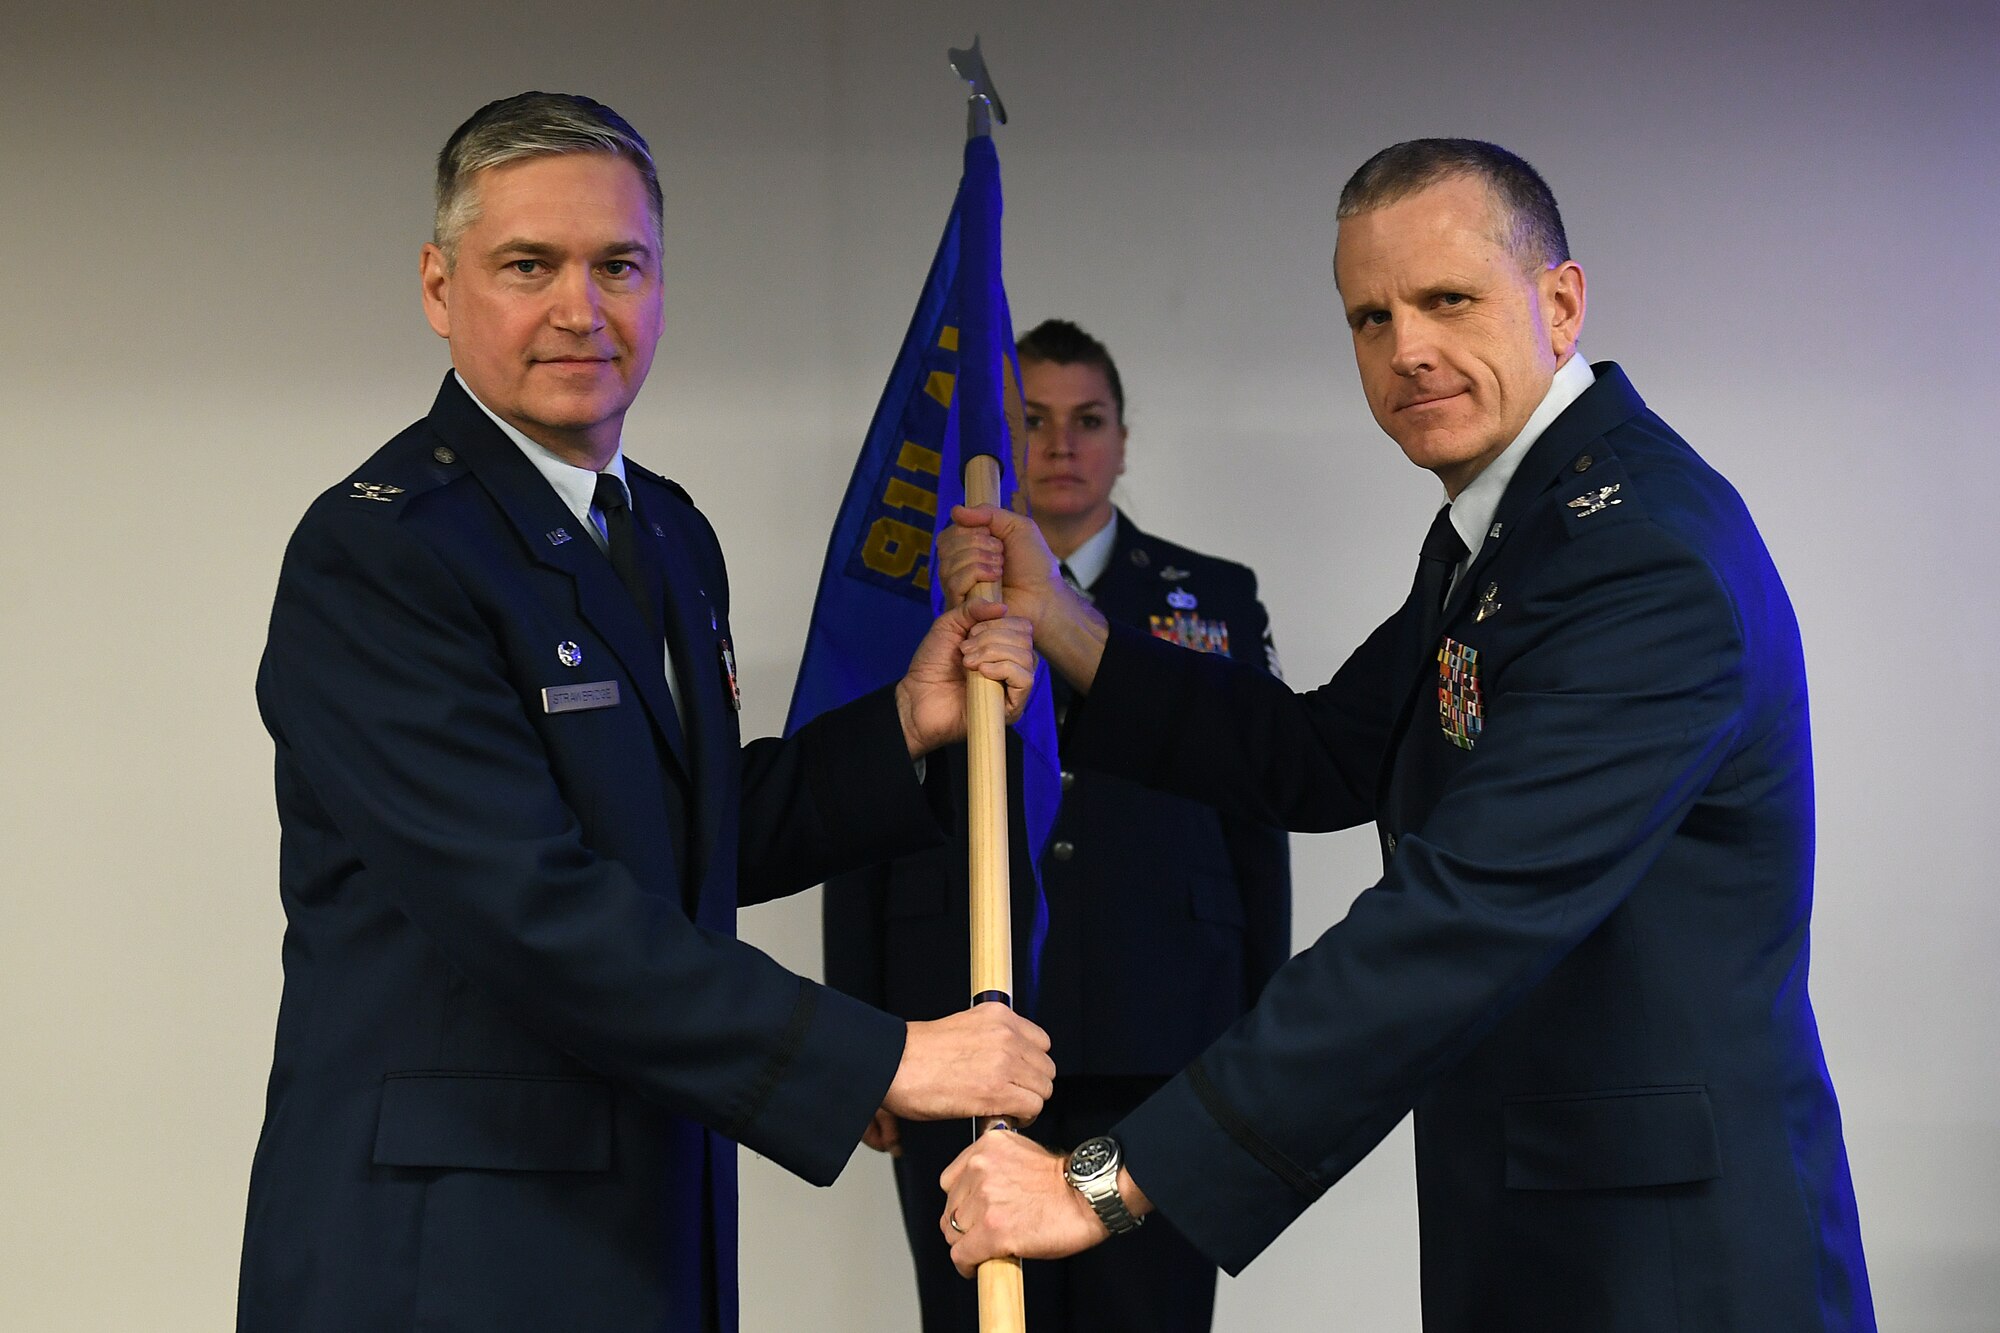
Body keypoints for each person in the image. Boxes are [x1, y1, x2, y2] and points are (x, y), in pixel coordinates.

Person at [936, 140, 1874, 1331]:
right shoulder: (1512, 524)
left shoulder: (1637, 556)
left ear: (1561, 303)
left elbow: (1453, 917)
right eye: (1369, 317)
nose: (1405, 350)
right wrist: (1063, 621)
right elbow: (1321, 751)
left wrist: (1111, 1177)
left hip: (1666, 1262)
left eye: (1447, 300)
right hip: (1549, 1219)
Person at [237, 92, 1057, 1333]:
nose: (582, 307)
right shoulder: (379, 553)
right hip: (448, 1246)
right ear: (437, 285)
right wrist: (876, 1057)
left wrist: (900, 722)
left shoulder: (667, 530)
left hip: (645, 1209)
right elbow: (530, 905)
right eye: (529, 265)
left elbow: (675, 837)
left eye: (619, 264)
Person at [822, 320, 1290, 1331]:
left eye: (1087, 420)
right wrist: (858, 1029)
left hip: (1162, 1019)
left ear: (1123, 440)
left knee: (1147, 1311)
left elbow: (1257, 815)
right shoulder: (916, 598)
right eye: (1030, 421)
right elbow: (858, 807)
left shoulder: (1210, 596)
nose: (1060, 445)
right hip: (957, 1019)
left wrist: (1261, 1023)